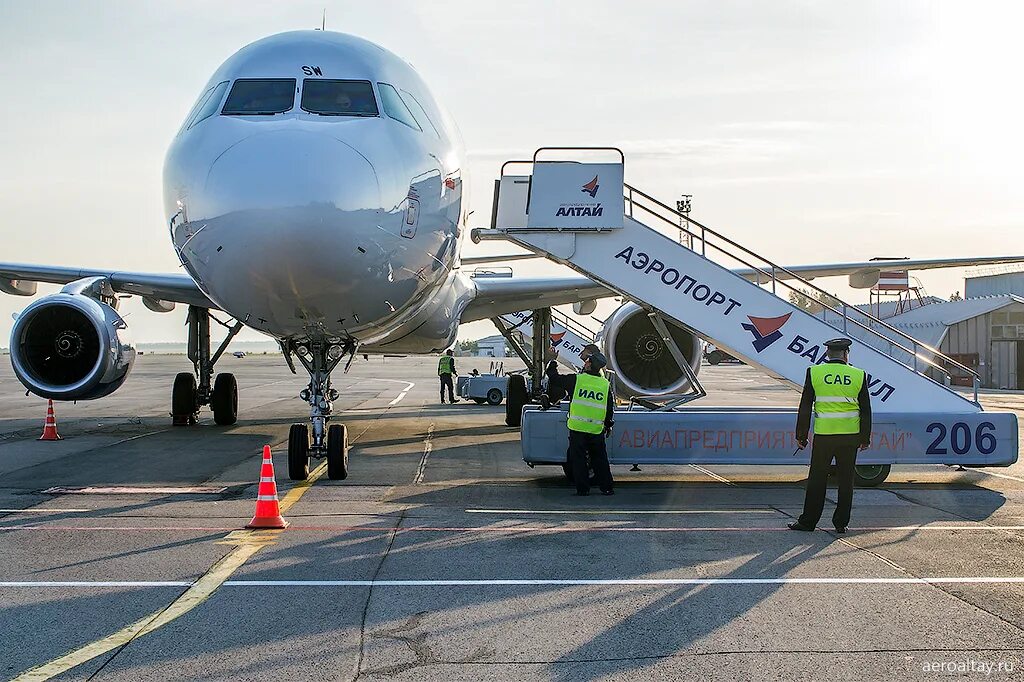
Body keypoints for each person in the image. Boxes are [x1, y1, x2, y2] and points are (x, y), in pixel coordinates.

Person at [788, 338, 872, 534]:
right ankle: (841, 523)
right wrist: (865, 438)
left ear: (827, 354)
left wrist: (801, 435)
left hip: (824, 436)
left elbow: (805, 406)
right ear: (845, 354)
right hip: (849, 436)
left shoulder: (814, 372)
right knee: (845, 480)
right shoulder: (858, 375)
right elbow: (866, 410)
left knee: (817, 479)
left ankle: (808, 522)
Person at [547, 351, 615, 496]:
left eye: (587, 361)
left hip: (577, 427)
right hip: (596, 429)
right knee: (600, 459)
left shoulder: (577, 380)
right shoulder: (604, 384)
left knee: (578, 460)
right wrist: (608, 424)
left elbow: (554, 378)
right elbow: (609, 407)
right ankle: (607, 487)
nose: (585, 363)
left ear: (590, 364)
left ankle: (583, 489)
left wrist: (552, 361)